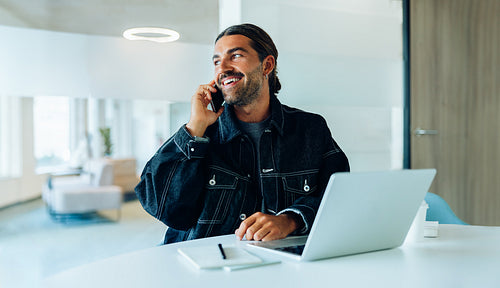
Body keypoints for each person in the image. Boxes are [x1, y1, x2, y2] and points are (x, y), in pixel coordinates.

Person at [135, 23, 349, 244]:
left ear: (267, 65)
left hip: (283, 263)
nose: (222, 68)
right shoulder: (200, 134)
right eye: (217, 61)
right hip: (205, 265)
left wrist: (290, 219)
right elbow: (162, 208)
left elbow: (340, 197)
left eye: (235, 56)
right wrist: (194, 128)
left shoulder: (310, 129)